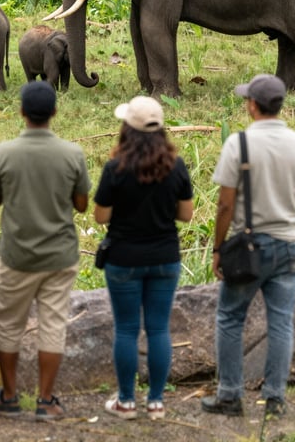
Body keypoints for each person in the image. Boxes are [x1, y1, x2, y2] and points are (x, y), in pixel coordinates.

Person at [202, 74, 295, 419]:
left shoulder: (238, 144)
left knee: (230, 317)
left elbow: (225, 204)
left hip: (251, 246)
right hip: (291, 244)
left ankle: (229, 395)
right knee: (281, 322)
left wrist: (218, 248)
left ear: (252, 105)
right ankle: (275, 399)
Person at [0, 81, 91, 420]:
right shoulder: (72, 153)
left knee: (8, 325)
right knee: (53, 326)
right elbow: (82, 205)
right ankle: (45, 400)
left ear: (21, 112)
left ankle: (9, 395)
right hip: (59, 255)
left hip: (16, 254)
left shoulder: (3, 152)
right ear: (54, 112)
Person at [94, 96, 194, 421]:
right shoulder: (176, 166)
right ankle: (156, 402)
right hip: (165, 257)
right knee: (158, 329)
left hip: (123, 258)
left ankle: (126, 401)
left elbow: (100, 216)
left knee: (126, 329)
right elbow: (186, 215)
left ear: (127, 129)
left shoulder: (115, 168)